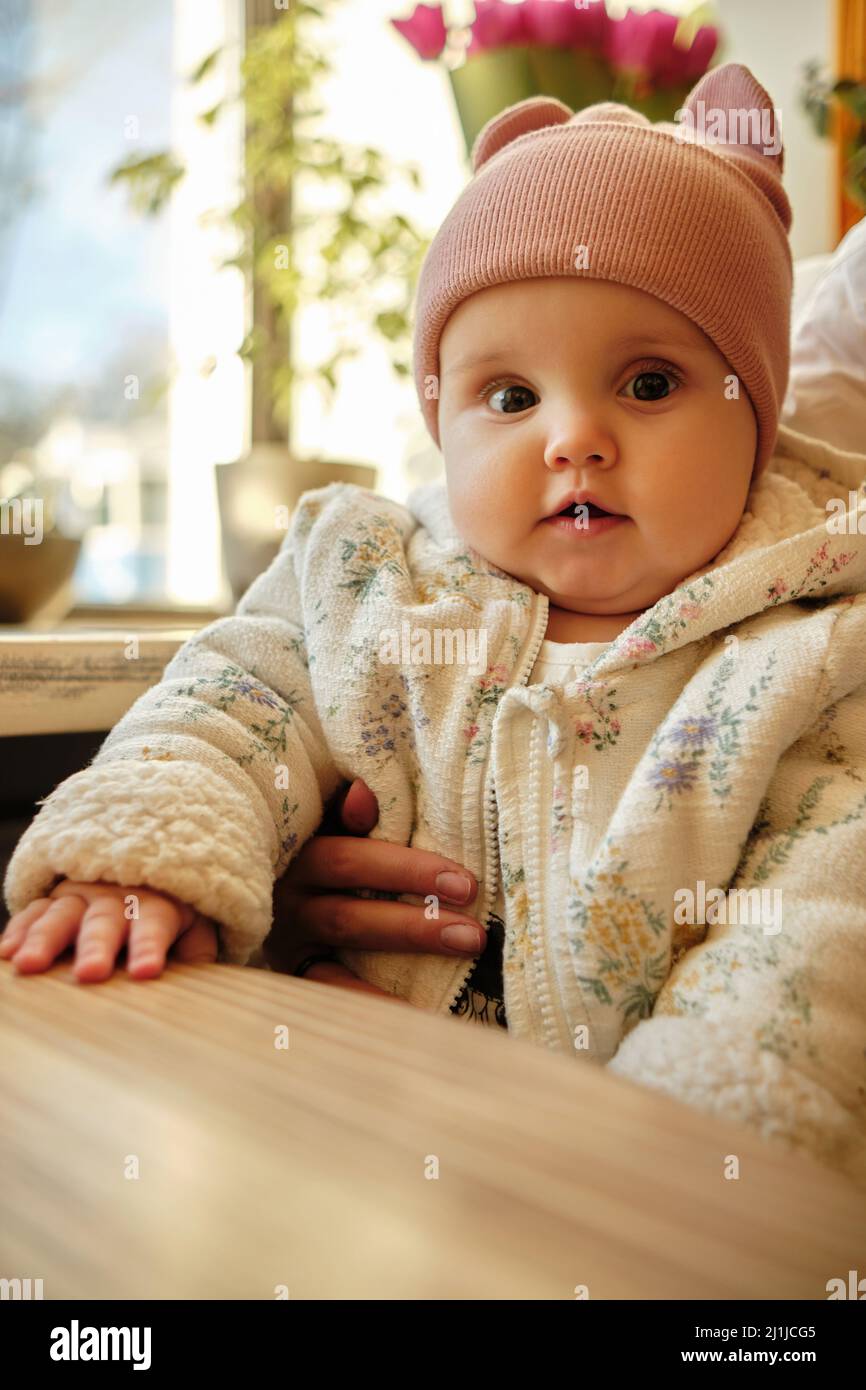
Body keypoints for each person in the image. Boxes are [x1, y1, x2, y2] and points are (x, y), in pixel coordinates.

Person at [4, 63, 866, 1187]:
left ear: (754, 421)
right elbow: (230, 706)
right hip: (336, 1131)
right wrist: (144, 859)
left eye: (648, 383)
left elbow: (809, 929)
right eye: (509, 398)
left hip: (600, 1186)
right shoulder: (365, 580)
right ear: (440, 422)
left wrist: (675, 1154)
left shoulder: (808, 645)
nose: (572, 438)